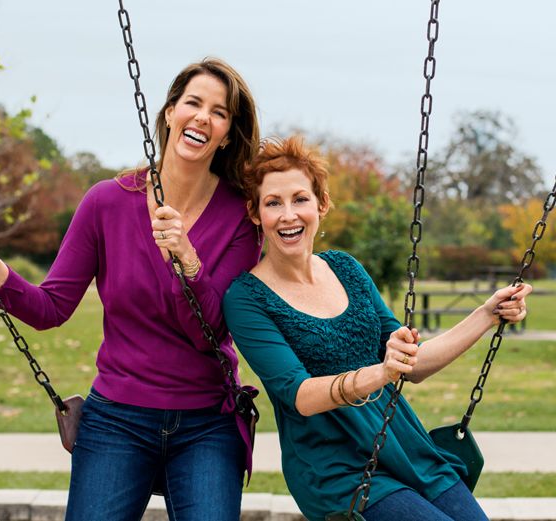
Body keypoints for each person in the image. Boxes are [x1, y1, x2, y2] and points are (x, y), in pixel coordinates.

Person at [0, 58, 261, 520]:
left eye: (219, 112)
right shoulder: (107, 203)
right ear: (170, 112)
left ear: (228, 133)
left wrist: (188, 260)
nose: (202, 117)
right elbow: (50, 308)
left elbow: (210, 333)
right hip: (118, 418)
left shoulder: (240, 216)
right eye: (192, 103)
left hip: (206, 423)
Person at [222, 136, 532, 521]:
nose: (289, 215)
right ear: (255, 213)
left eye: (300, 199)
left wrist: (486, 314)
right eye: (273, 203)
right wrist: (381, 372)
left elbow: (412, 365)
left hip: (404, 445)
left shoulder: (346, 269)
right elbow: (299, 394)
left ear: (321, 204)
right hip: (337, 470)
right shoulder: (247, 298)